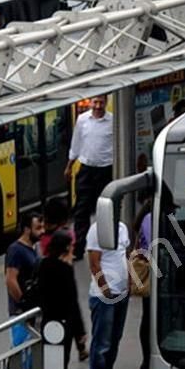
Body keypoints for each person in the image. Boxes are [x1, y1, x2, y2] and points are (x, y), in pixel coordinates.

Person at [37, 230, 87, 369]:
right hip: (63, 327)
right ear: (66, 247)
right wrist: (80, 333)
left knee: (51, 366)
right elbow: (72, 303)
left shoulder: (42, 265)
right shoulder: (65, 270)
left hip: (47, 324)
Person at [65, 95, 113, 260]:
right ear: (91, 103)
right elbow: (76, 144)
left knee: (105, 210)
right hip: (86, 171)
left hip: (106, 171)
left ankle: (105, 246)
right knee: (81, 211)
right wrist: (69, 166)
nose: (98, 106)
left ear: (106, 102)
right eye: (95, 102)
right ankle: (78, 248)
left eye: (101, 102)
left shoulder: (113, 121)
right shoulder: (82, 120)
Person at [86, 219, 131, 369]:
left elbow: (125, 255)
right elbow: (94, 263)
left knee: (114, 338)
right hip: (104, 296)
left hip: (121, 293)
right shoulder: (96, 230)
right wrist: (105, 289)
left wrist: (129, 280)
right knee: (102, 341)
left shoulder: (122, 227)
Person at [4, 212, 43, 345]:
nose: (42, 231)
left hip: (32, 311)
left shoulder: (34, 248)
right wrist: (23, 304)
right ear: (27, 230)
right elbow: (10, 280)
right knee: (21, 352)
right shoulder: (16, 250)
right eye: (37, 228)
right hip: (21, 313)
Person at [133, 198, 153, 369]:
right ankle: (147, 362)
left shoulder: (147, 217)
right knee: (149, 318)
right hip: (155, 273)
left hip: (157, 271)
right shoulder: (149, 218)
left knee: (148, 317)